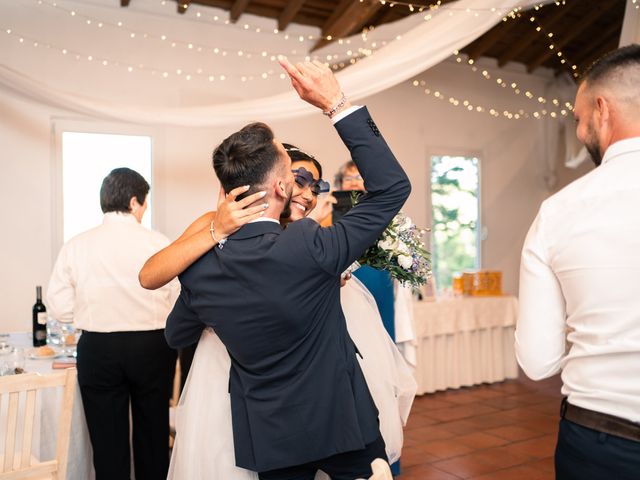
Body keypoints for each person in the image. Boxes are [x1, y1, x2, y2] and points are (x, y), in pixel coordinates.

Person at [164, 57, 411, 480]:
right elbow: (392, 187)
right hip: (342, 423)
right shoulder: (309, 244)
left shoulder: (202, 270)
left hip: (271, 439)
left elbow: (176, 334)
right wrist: (336, 104)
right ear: (281, 186)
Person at [516, 44, 640, 480]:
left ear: (602, 109)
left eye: (577, 117)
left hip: (603, 440)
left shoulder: (559, 211)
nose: (579, 129)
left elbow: (537, 361)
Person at [46, 168, 178, 480]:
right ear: (134, 202)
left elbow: (58, 304)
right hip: (152, 346)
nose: (144, 210)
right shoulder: (158, 242)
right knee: (153, 437)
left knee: (107, 442)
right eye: (144, 204)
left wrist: (92, 309)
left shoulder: (77, 244)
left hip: (99, 347)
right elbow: (177, 298)